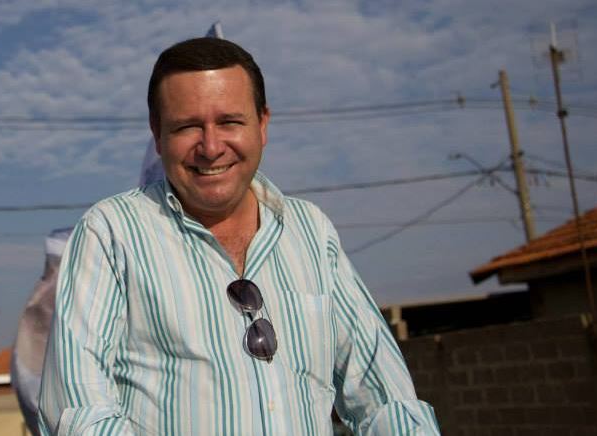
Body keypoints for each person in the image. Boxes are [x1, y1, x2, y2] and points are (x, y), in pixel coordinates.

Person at [38, 37, 440, 435]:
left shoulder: (312, 231)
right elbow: (80, 412)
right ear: (157, 135)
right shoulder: (111, 233)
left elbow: (384, 396)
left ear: (262, 125)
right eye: (187, 126)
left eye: (230, 122)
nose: (211, 147)